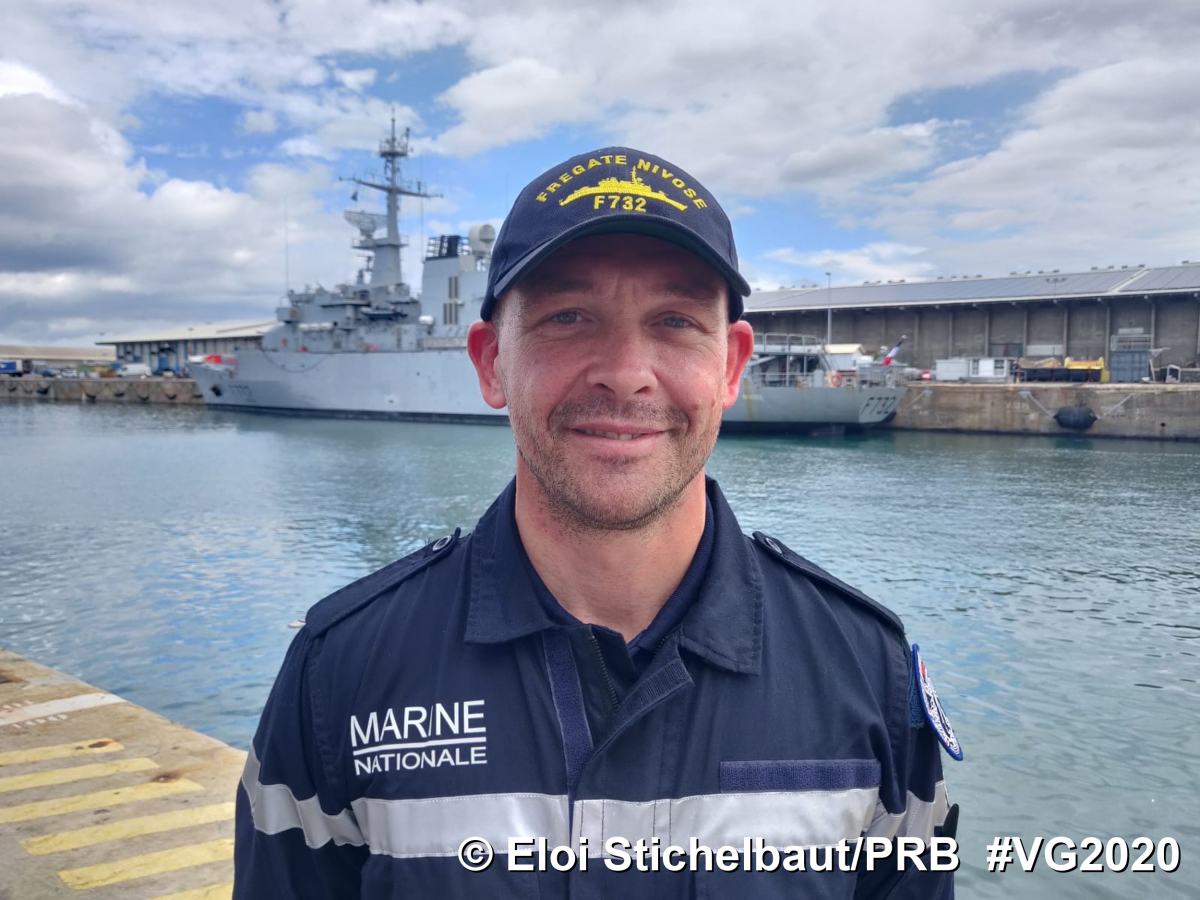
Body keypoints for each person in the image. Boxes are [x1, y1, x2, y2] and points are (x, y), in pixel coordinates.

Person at [234, 148, 961, 898]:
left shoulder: (870, 674)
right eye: (568, 317)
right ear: (490, 362)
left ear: (730, 366)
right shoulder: (338, 674)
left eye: (676, 320)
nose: (625, 371)